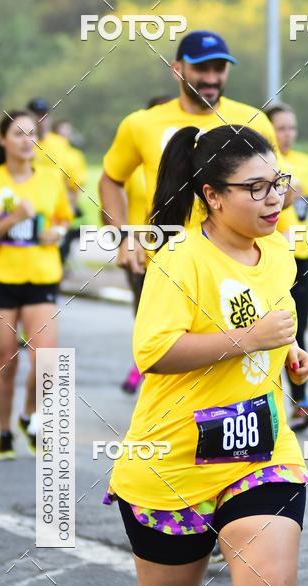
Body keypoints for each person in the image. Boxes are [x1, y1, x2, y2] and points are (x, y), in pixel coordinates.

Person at [104, 123, 308, 586]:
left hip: (261, 452)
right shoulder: (178, 260)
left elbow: (271, 314)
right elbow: (156, 352)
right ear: (210, 194)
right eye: (255, 188)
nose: (273, 199)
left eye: (278, 184)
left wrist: (283, 355)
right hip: (170, 460)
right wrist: (248, 339)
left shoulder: (279, 251)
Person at [98, 29, 278, 278]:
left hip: (240, 266)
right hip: (167, 266)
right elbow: (110, 180)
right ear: (177, 69)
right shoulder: (141, 124)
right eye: (201, 69)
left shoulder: (254, 121)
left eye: (219, 68)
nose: (211, 78)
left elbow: (279, 189)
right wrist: (125, 236)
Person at [0, 110, 73, 460]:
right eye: (18, 134)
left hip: (41, 277)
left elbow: (62, 219)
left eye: (32, 134)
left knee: (46, 359)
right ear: (3, 140)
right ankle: (3, 431)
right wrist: (14, 218)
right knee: (6, 360)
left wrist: (55, 233)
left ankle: (29, 416)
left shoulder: (49, 179)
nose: (26, 141)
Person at [268, 103, 308, 431]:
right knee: (273, 329)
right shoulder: (265, 162)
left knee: (298, 329)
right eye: (281, 127)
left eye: (292, 127)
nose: (287, 133)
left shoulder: (303, 161)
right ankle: (273, 401)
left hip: (300, 256)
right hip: (273, 257)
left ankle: (300, 402)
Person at [119, 96, 173, 395]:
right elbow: (108, 203)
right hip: (141, 251)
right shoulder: (134, 166)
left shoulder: (183, 163)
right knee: (146, 313)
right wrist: (124, 239)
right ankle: (143, 365)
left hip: (178, 250)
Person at [27, 99, 86, 266]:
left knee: (55, 255)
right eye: (36, 116)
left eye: (44, 116)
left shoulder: (59, 143)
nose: (40, 121)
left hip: (55, 208)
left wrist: (71, 205)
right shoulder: (25, 142)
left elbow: (73, 180)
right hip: (28, 207)